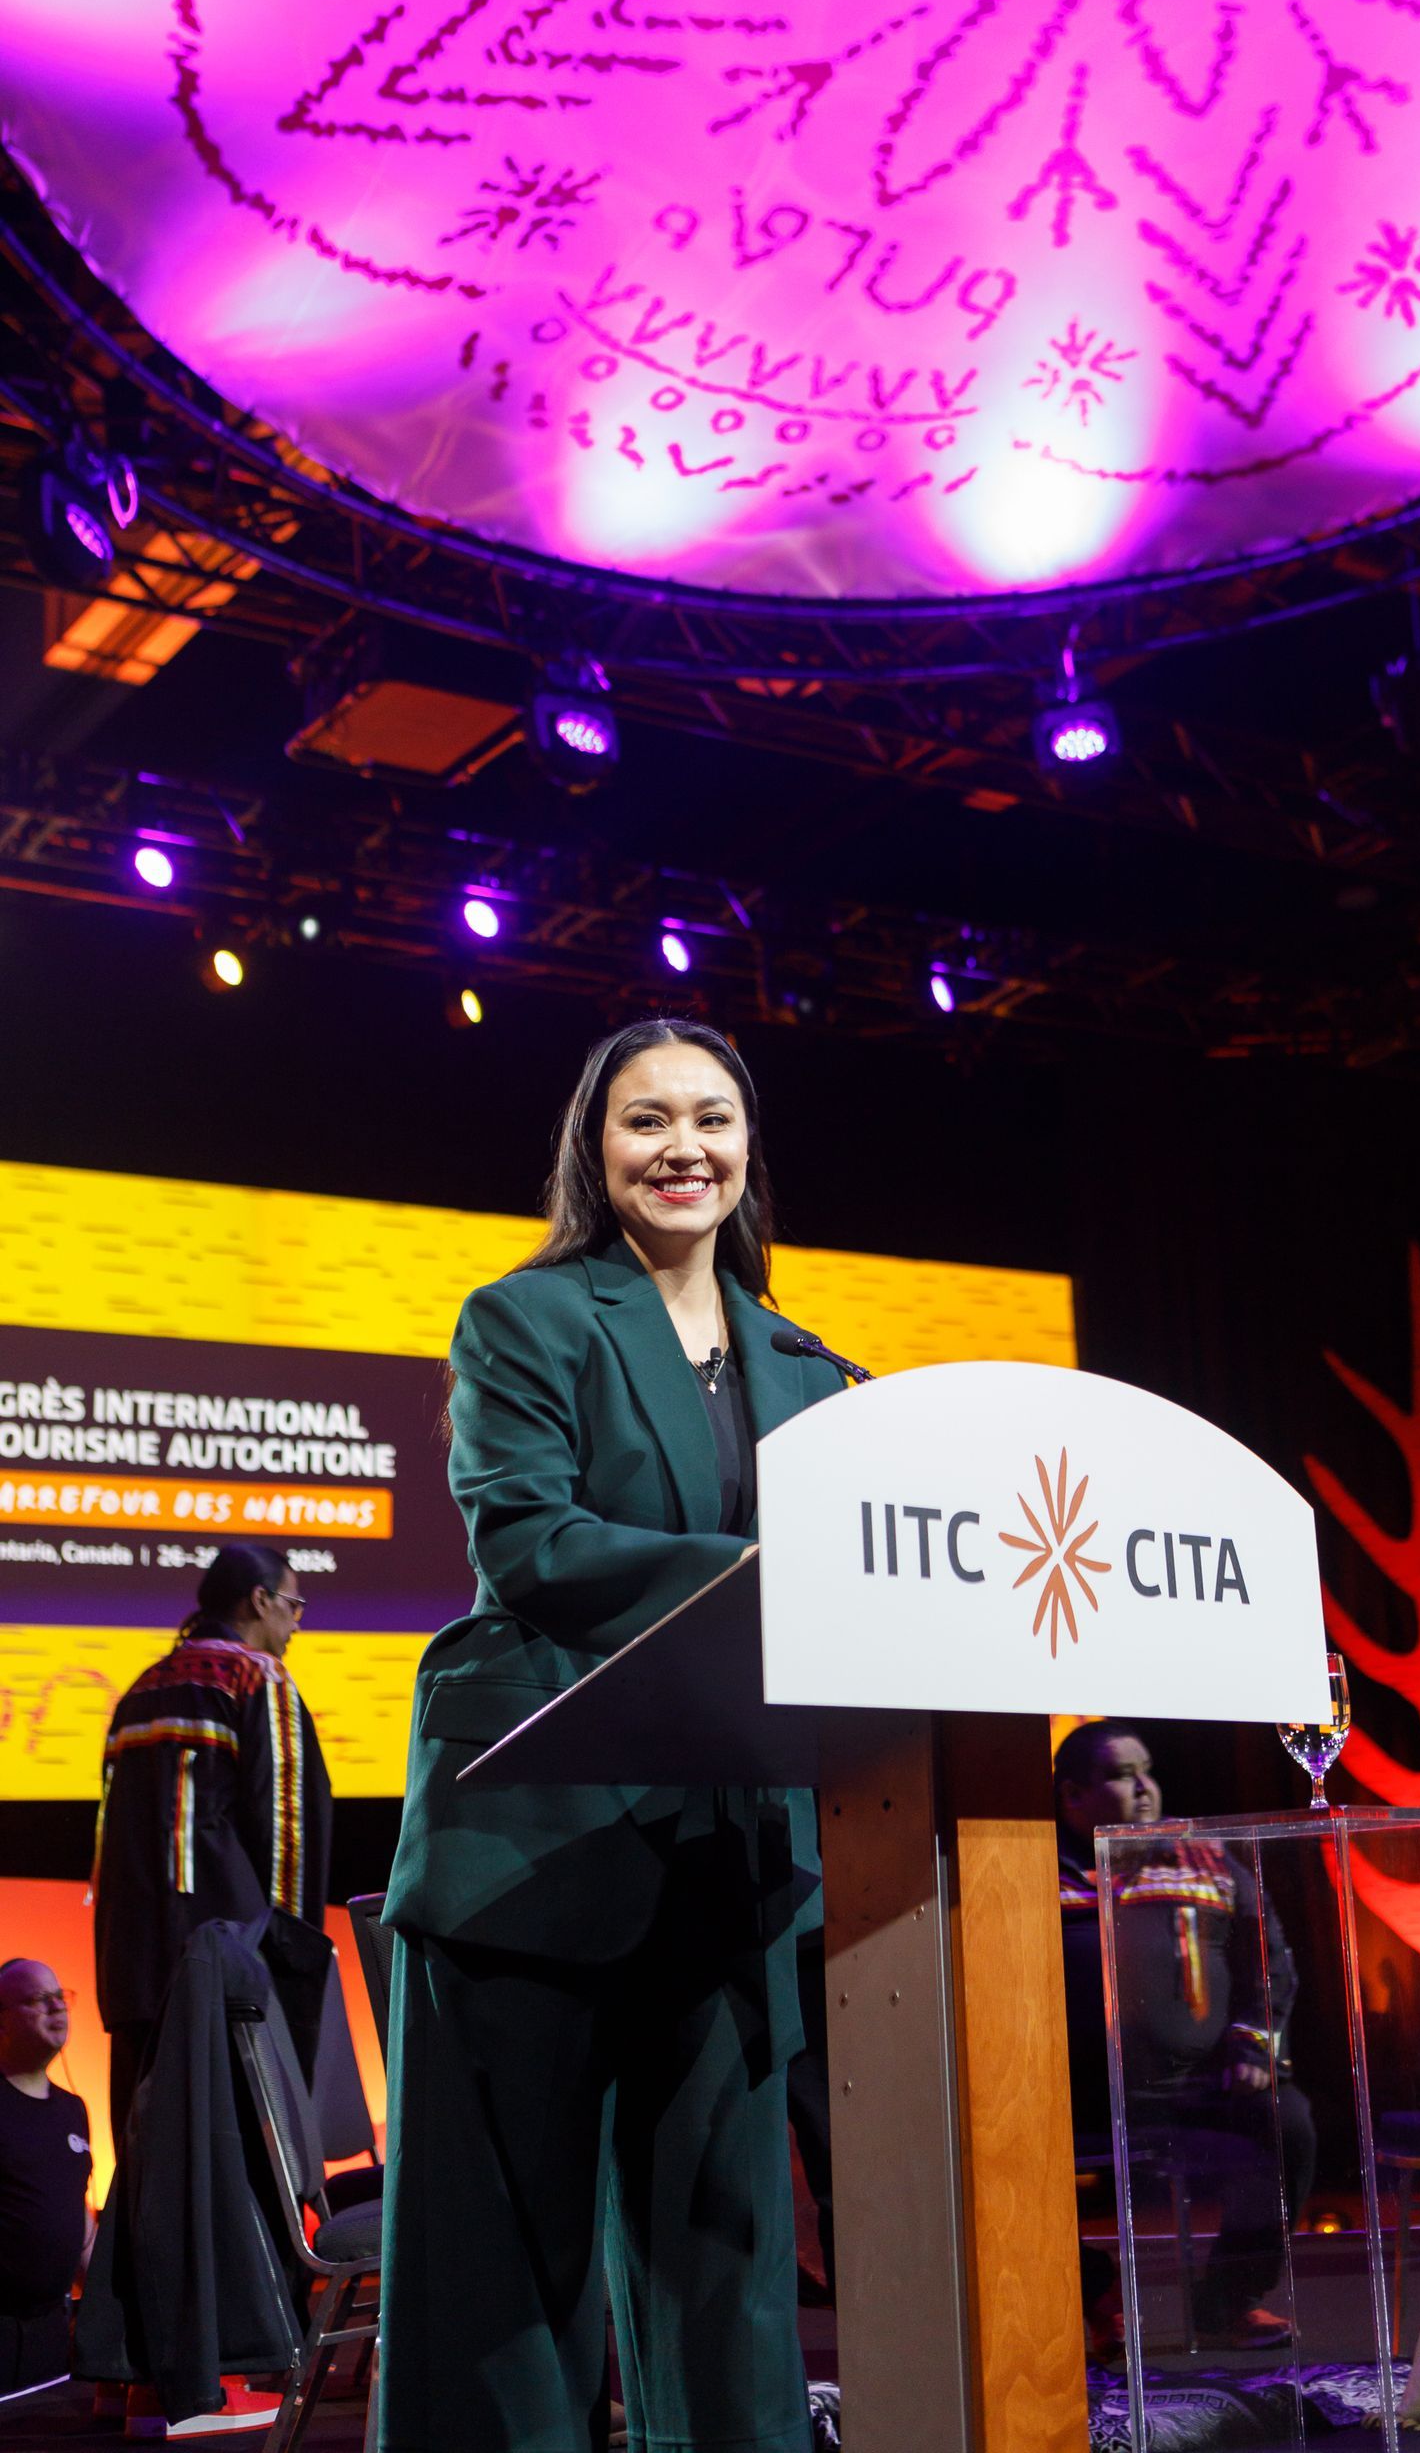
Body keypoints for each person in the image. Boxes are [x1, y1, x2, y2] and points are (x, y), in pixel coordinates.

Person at [379, 1018, 847, 2453]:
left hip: (730, 1853)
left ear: (750, 1147)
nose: (683, 1149)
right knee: (504, 2291)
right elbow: (533, 1544)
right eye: (647, 1121)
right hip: (533, 1842)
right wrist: (771, 1583)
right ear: (598, 1148)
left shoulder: (818, 1372)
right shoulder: (524, 1317)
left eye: (712, 1119)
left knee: (732, 2270)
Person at [1055, 1721, 1315, 2351]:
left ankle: (1229, 2301)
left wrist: (1254, 2041)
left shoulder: (1202, 1854)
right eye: (1121, 1775)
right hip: (1070, 2092)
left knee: (1287, 2122)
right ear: (1073, 1797)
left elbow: (1267, 1957)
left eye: (1148, 1771)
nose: (1145, 1788)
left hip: (1196, 2085)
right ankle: (1086, 2290)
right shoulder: (1028, 1867)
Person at [94, 1543, 331, 2154]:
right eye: (293, 1602)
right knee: (238, 2175)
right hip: (231, 1979)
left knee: (150, 2171)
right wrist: (290, 1968)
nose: (297, 1620)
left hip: (135, 1979)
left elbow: (106, 1850)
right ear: (259, 1600)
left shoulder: (136, 1694)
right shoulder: (259, 1678)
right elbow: (287, 1838)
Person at [0, 1958, 92, 2402]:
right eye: (39, 1999)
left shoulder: (73, 2110)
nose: (57, 2007)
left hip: (51, 2336)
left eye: (61, 1996)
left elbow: (81, 2229)